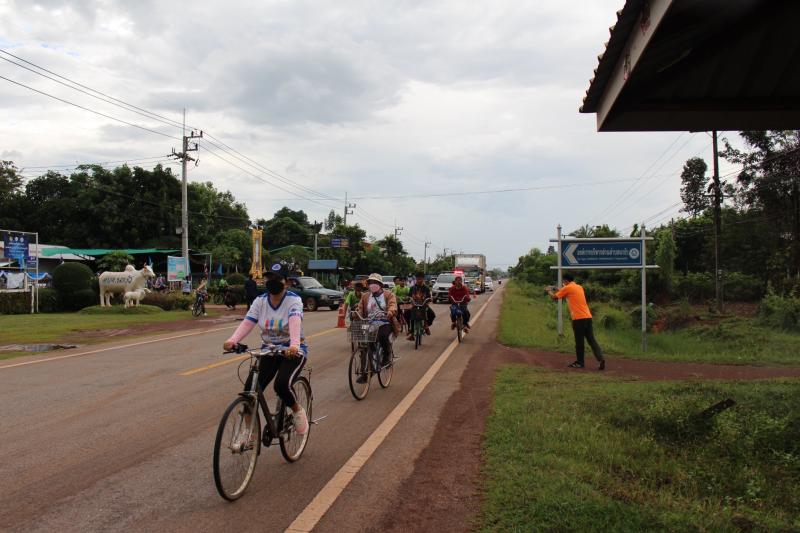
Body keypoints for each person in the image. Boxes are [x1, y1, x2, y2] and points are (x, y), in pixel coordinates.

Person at [222, 262, 309, 436]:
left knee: (281, 385)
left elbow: (295, 321)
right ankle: (249, 433)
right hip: (269, 350)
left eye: (277, 278)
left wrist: (294, 345)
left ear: (286, 282)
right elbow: (248, 322)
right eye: (269, 278)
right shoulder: (260, 301)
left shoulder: (293, 300)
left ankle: (297, 410)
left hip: (292, 351)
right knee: (250, 390)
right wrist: (232, 340)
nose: (272, 281)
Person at [548, 273, 605, 370]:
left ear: (566, 281)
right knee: (591, 340)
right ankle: (601, 359)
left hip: (578, 319)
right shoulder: (579, 287)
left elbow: (555, 297)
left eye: (563, 281)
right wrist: (556, 288)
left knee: (579, 342)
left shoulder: (567, 288)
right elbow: (565, 291)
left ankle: (580, 362)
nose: (563, 283)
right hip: (588, 317)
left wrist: (549, 291)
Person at [356, 273, 398, 367]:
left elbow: (392, 305)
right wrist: (357, 314)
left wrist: (390, 312)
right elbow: (360, 308)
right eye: (371, 282)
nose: (373, 284)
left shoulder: (388, 294)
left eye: (375, 282)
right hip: (369, 322)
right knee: (364, 342)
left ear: (380, 284)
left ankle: (386, 356)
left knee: (383, 336)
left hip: (384, 321)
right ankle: (366, 367)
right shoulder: (365, 296)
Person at [407, 271, 435, 339]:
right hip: (414, 306)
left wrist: (429, 300)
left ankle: (426, 325)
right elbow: (409, 296)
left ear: (423, 279)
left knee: (432, 315)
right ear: (416, 279)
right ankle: (411, 331)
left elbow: (429, 297)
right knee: (407, 314)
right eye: (418, 279)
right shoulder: (412, 288)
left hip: (423, 306)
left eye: (420, 279)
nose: (419, 280)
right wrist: (408, 299)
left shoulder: (426, 288)